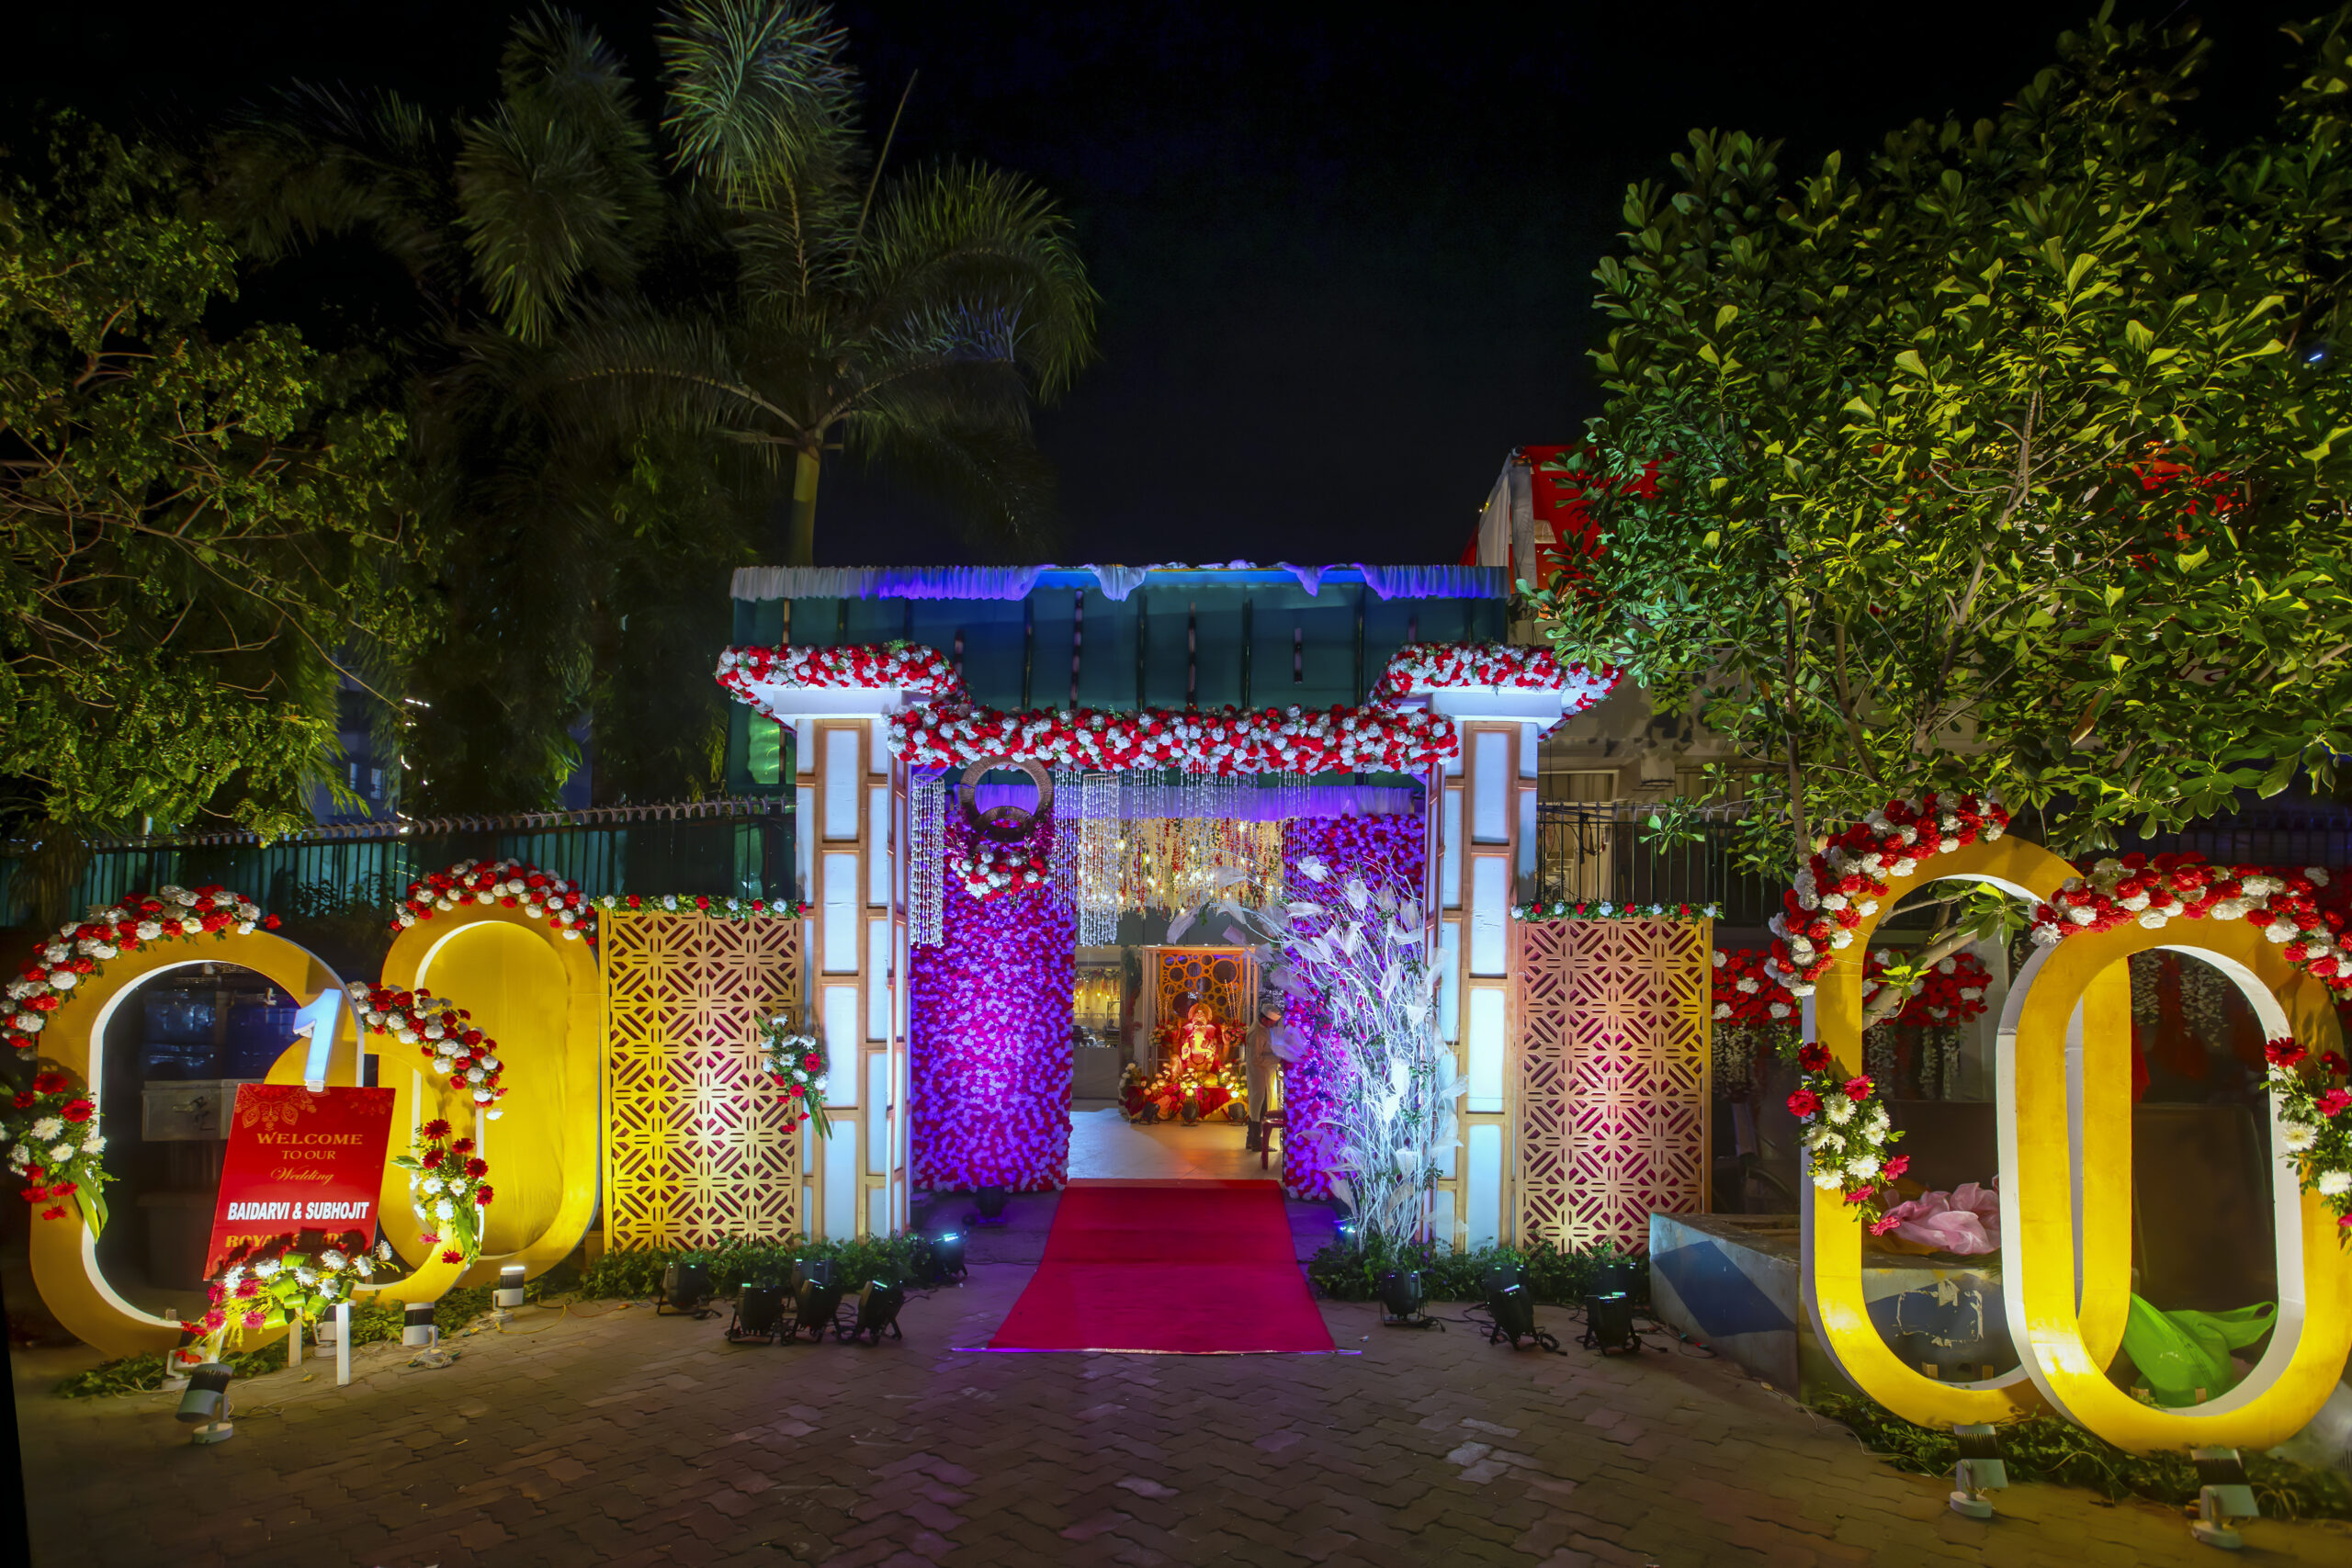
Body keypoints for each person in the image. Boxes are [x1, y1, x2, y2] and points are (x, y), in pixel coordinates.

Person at [1244, 1003, 1283, 1152]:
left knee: (1257, 1107)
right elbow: (1256, 1059)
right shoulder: (1257, 1033)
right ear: (1265, 1019)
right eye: (1272, 1022)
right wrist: (1277, 1059)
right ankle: (1256, 1142)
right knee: (1260, 1108)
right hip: (1259, 1075)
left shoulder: (1262, 1028)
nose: (1273, 1025)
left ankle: (1251, 1140)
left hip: (1263, 1074)